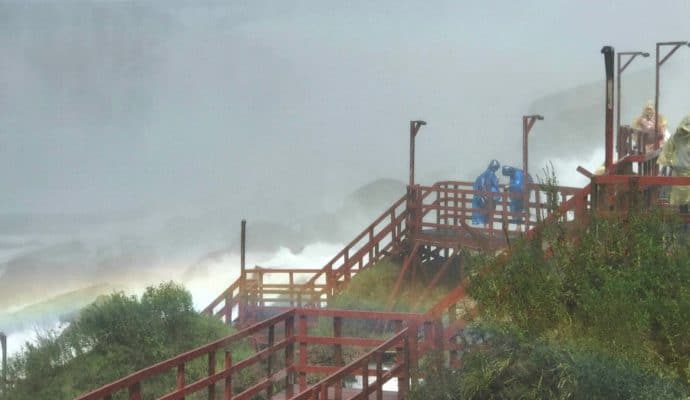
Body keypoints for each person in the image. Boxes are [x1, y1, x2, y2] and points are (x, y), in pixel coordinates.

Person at [658, 115, 690, 213]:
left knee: (684, 199)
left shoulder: (676, 137)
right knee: (681, 200)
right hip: (679, 173)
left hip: (684, 172)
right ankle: (684, 223)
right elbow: (666, 152)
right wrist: (670, 163)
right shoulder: (676, 137)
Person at [472, 159, 501, 226]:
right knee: (489, 214)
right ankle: (489, 230)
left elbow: (476, 185)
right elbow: (490, 184)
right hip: (489, 198)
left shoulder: (484, 174)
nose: (496, 169)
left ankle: (486, 229)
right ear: (494, 167)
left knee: (484, 214)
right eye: (496, 168)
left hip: (481, 197)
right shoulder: (491, 174)